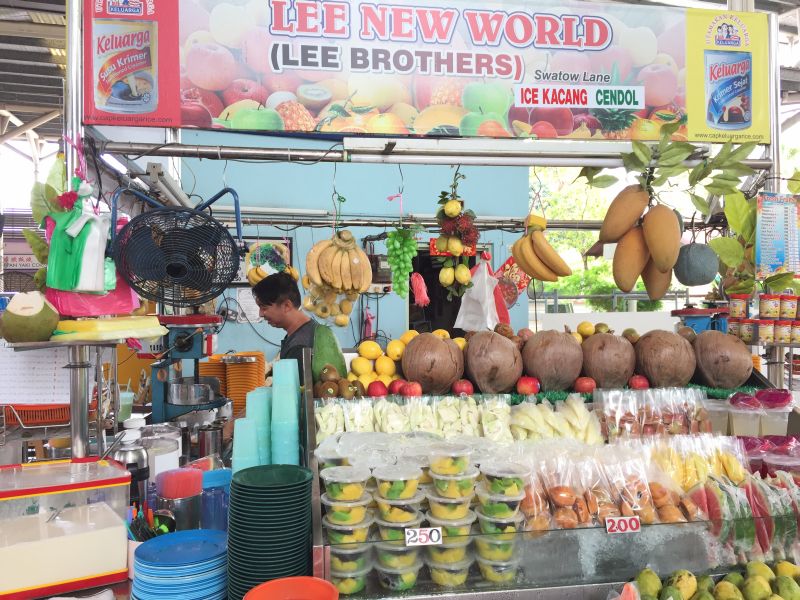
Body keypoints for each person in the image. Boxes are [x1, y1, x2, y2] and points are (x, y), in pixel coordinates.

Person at [252, 271, 317, 380]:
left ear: (287, 306)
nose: (260, 314)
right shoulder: (301, 332)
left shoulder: (300, 346)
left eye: (264, 308)